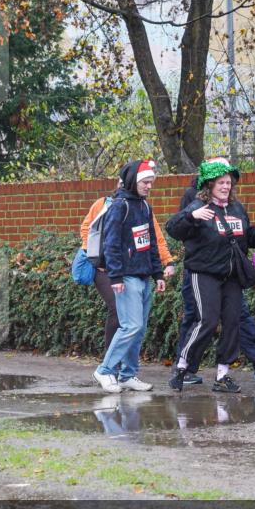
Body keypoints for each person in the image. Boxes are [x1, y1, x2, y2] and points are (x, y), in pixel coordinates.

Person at [173, 159, 255, 387]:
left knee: (233, 322)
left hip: (232, 274)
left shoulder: (236, 207)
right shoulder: (198, 207)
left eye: (229, 183)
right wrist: (191, 218)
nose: (226, 186)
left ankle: (222, 375)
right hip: (204, 272)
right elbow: (174, 229)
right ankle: (182, 367)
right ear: (210, 185)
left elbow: (247, 235)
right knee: (206, 321)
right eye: (221, 182)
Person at [92, 159, 166, 393]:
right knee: (130, 326)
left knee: (139, 329)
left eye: (151, 182)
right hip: (127, 277)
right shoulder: (119, 205)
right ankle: (104, 371)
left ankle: (127, 375)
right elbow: (111, 244)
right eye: (145, 182)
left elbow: (150, 243)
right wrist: (115, 277)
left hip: (144, 276)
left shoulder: (144, 207)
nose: (149, 186)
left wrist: (158, 273)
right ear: (133, 181)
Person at [81, 179, 176, 351]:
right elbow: (87, 229)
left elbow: (153, 238)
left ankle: (123, 363)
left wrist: (167, 261)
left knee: (132, 318)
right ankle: (110, 360)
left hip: (128, 270)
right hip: (104, 269)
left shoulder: (143, 208)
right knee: (118, 309)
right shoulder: (103, 204)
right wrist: (96, 255)